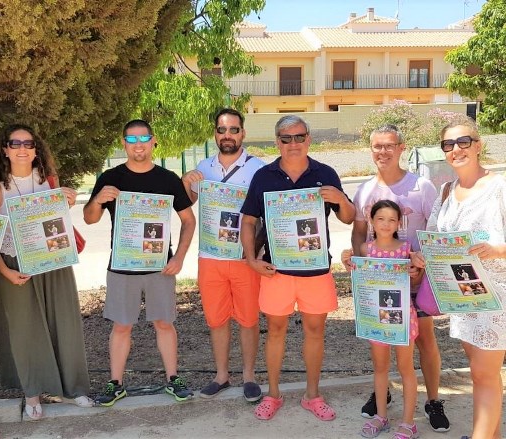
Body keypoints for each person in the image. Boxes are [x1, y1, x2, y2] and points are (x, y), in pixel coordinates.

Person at [240, 115, 355, 421]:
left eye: (299, 137)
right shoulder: (264, 176)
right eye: (286, 138)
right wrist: (251, 259)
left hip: (316, 271)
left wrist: (341, 198)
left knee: (315, 331)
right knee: (275, 331)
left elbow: (348, 217)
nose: (293, 143)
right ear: (277, 141)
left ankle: (312, 395)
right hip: (276, 271)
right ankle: (273, 394)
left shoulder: (326, 173)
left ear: (309, 139)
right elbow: (248, 220)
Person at [341, 124, 450, 431]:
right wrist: (362, 270)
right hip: (380, 283)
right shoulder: (365, 189)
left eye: (389, 146)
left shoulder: (421, 186)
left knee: (424, 340)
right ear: (371, 149)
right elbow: (359, 233)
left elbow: (436, 230)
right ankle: (383, 397)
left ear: (402, 148)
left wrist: (422, 265)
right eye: (377, 146)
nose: (383, 152)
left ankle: (432, 401)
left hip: (416, 278)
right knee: (382, 341)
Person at [83, 119, 196, 406]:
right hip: (122, 265)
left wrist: (180, 257)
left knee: (164, 323)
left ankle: (173, 379)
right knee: (122, 325)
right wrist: (97, 200)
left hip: (160, 266)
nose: (138, 145)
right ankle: (116, 383)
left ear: (153, 141)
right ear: (124, 144)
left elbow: (188, 220)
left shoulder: (168, 179)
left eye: (143, 138)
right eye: (131, 140)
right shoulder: (110, 177)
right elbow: (89, 218)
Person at [0, 124, 92, 420]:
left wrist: (66, 201)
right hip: (14, 265)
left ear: (36, 149)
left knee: (65, 322)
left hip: (54, 261)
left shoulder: (49, 180)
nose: (22, 148)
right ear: (4, 149)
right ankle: (32, 392)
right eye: (14, 143)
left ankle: (72, 389)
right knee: (25, 328)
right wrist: (4, 271)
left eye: (28, 143)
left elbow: (56, 224)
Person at [413, 120, 506, 439]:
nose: (456, 149)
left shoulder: (500, 186)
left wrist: (496, 249)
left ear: (479, 145)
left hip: (496, 298)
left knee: (482, 374)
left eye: (463, 142)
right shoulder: (447, 191)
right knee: (484, 374)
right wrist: (424, 255)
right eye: (449, 145)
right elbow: (437, 235)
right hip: (462, 295)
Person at [181, 108, 265, 402]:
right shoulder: (203, 166)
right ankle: (221, 376)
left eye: (233, 130)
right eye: (221, 130)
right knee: (216, 320)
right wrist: (185, 181)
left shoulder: (259, 168)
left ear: (243, 133)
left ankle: (250, 377)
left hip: (245, 257)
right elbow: (188, 200)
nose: (226, 135)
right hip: (211, 256)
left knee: (248, 319)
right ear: (215, 133)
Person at [345, 200, 420, 439]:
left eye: (391, 219)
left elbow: (416, 282)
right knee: (380, 367)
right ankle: (381, 416)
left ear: (399, 222)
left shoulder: (407, 249)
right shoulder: (365, 250)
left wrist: (416, 271)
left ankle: (409, 422)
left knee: (406, 368)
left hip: (402, 318)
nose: (386, 224)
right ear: (371, 221)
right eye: (380, 219)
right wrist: (348, 262)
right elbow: (359, 278)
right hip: (376, 319)